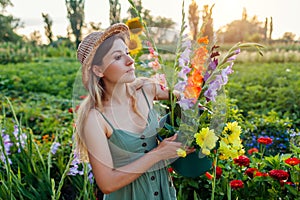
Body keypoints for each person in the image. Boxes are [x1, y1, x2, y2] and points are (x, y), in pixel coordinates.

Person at [75, 23, 191, 200]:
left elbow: (186, 101)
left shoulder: (147, 90)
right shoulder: (95, 118)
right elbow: (107, 184)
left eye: (127, 53)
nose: (130, 61)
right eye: (117, 57)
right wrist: (159, 154)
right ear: (98, 70)